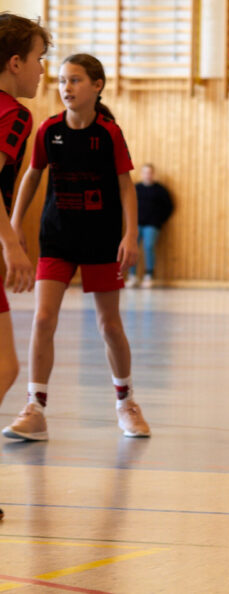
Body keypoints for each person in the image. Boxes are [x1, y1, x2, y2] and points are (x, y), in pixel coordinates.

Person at [3, 53, 150, 442]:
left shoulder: (108, 134)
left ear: (97, 86)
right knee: (43, 319)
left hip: (101, 240)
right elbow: (31, 177)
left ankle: (126, 402)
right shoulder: (48, 130)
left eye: (76, 80)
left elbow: (125, 186)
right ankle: (35, 407)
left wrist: (130, 235)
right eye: (62, 81)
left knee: (109, 325)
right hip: (57, 238)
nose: (66, 88)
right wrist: (15, 225)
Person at [0, 14, 50, 520]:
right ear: (15, 64)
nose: (42, 71)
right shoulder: (13, 115)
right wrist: (12, 245)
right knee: (6, 366)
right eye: (38, 59)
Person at [127, 163, 173, 288]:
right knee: (132, 249)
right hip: (136, 224)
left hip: (152, 224)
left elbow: (169, 206)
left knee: (148, 246)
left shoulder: (160, 190)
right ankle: (132, 276)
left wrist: (159, 219)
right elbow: (128, 205)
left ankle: (149, 275)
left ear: (153, 174)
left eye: (150, 172)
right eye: (145, 172)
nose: (147, 175)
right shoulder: (136, 188)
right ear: (142, 174)